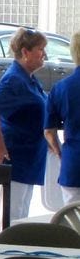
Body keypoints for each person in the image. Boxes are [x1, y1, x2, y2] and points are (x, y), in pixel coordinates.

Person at [0, 27, 49, 221]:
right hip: (17, 156)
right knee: (13, 215)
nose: (44, 54)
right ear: (25, 52)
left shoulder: (28, 78)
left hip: (30, 157)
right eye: (40, 49)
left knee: (22, 213)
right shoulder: (14, 79)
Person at [44, 30, 80, 204]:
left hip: (73, 165)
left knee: (73, 223)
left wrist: (60, 152)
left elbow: (49, 132)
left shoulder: (61, 88)